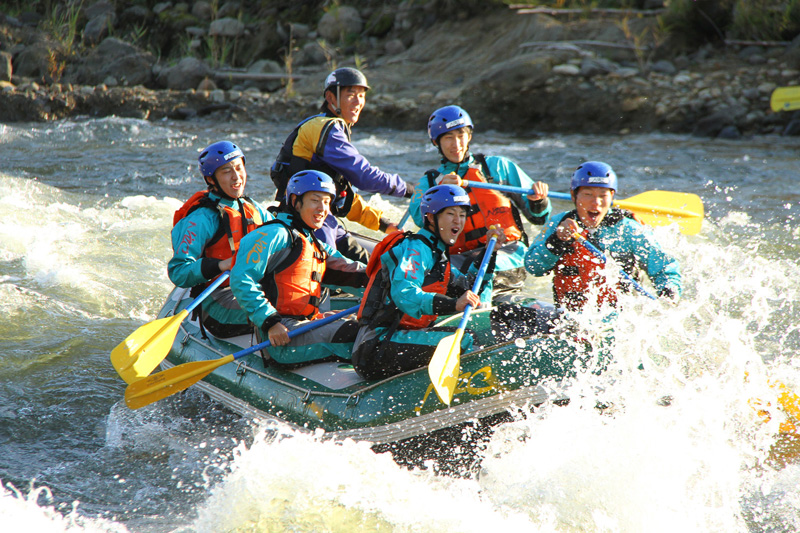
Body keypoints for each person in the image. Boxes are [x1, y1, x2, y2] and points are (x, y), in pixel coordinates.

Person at [352, 184, 504, 381]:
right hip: (378, 345)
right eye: (451, 214)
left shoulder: (437, 254)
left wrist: (490, 252)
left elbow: (469, 287)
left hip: (401, 338)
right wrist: (452, 304)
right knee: (464, 340)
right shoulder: (415, 248)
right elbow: (404, 294)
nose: (458, 221)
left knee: (475, 334)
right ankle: (478, 388)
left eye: (462, 215)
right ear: (431, 218)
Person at [270, 67, 415, 263]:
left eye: (361, 96)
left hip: (325, 220)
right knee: (348, 269)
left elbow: (343, 198)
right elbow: (365, 176)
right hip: (307, 222)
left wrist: (383, 224)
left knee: (371, 267)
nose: (358, 102)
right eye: (350, 95)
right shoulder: (324, 128)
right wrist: (408, 190)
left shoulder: (330, 129)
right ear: (331, 98)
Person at [408, 105, 551, 300]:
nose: (456, 144)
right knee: (445, 276)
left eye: (461, 135)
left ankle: (493, 304)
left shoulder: (497, 167)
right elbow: (420, 219)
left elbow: (539, 217)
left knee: (478, 268)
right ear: (436, 142)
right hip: (458, 261)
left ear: (469, 136)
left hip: (507, 253)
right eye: (448, 138)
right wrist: (439, 192)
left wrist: (539, 201)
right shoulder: (430, 182)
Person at [230, 170, 368, 366]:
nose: (323, 208)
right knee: (358, 333)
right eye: (315, 200)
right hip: (281, 337)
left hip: (307, 323)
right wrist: (270, 322)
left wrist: (386, 280)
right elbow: (241, 279)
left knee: (370, 322)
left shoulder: (313, 242)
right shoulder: (274, 234)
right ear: (295, 201)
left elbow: (350, 269)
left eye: (327, 202)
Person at [524, 161, 682, 312]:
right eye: (588, 194)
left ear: (612, 196)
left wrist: (669, 294)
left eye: (603, 195)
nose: (596, 202)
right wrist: (557, 240)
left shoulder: (628, 229)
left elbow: (663, 269)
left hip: (621, 318)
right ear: (573, 195)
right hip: (569, 315)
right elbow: (533, 267)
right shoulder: (558, 224)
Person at [169, 141, 273, 338]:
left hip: (249, 289)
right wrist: (221, 265)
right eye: (226, 171)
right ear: (211, 179)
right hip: (217, 301)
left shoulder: (252, 208)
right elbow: (178, 272)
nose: (236, 177)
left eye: (239, 168)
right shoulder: (201, 219)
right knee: (281, 309)